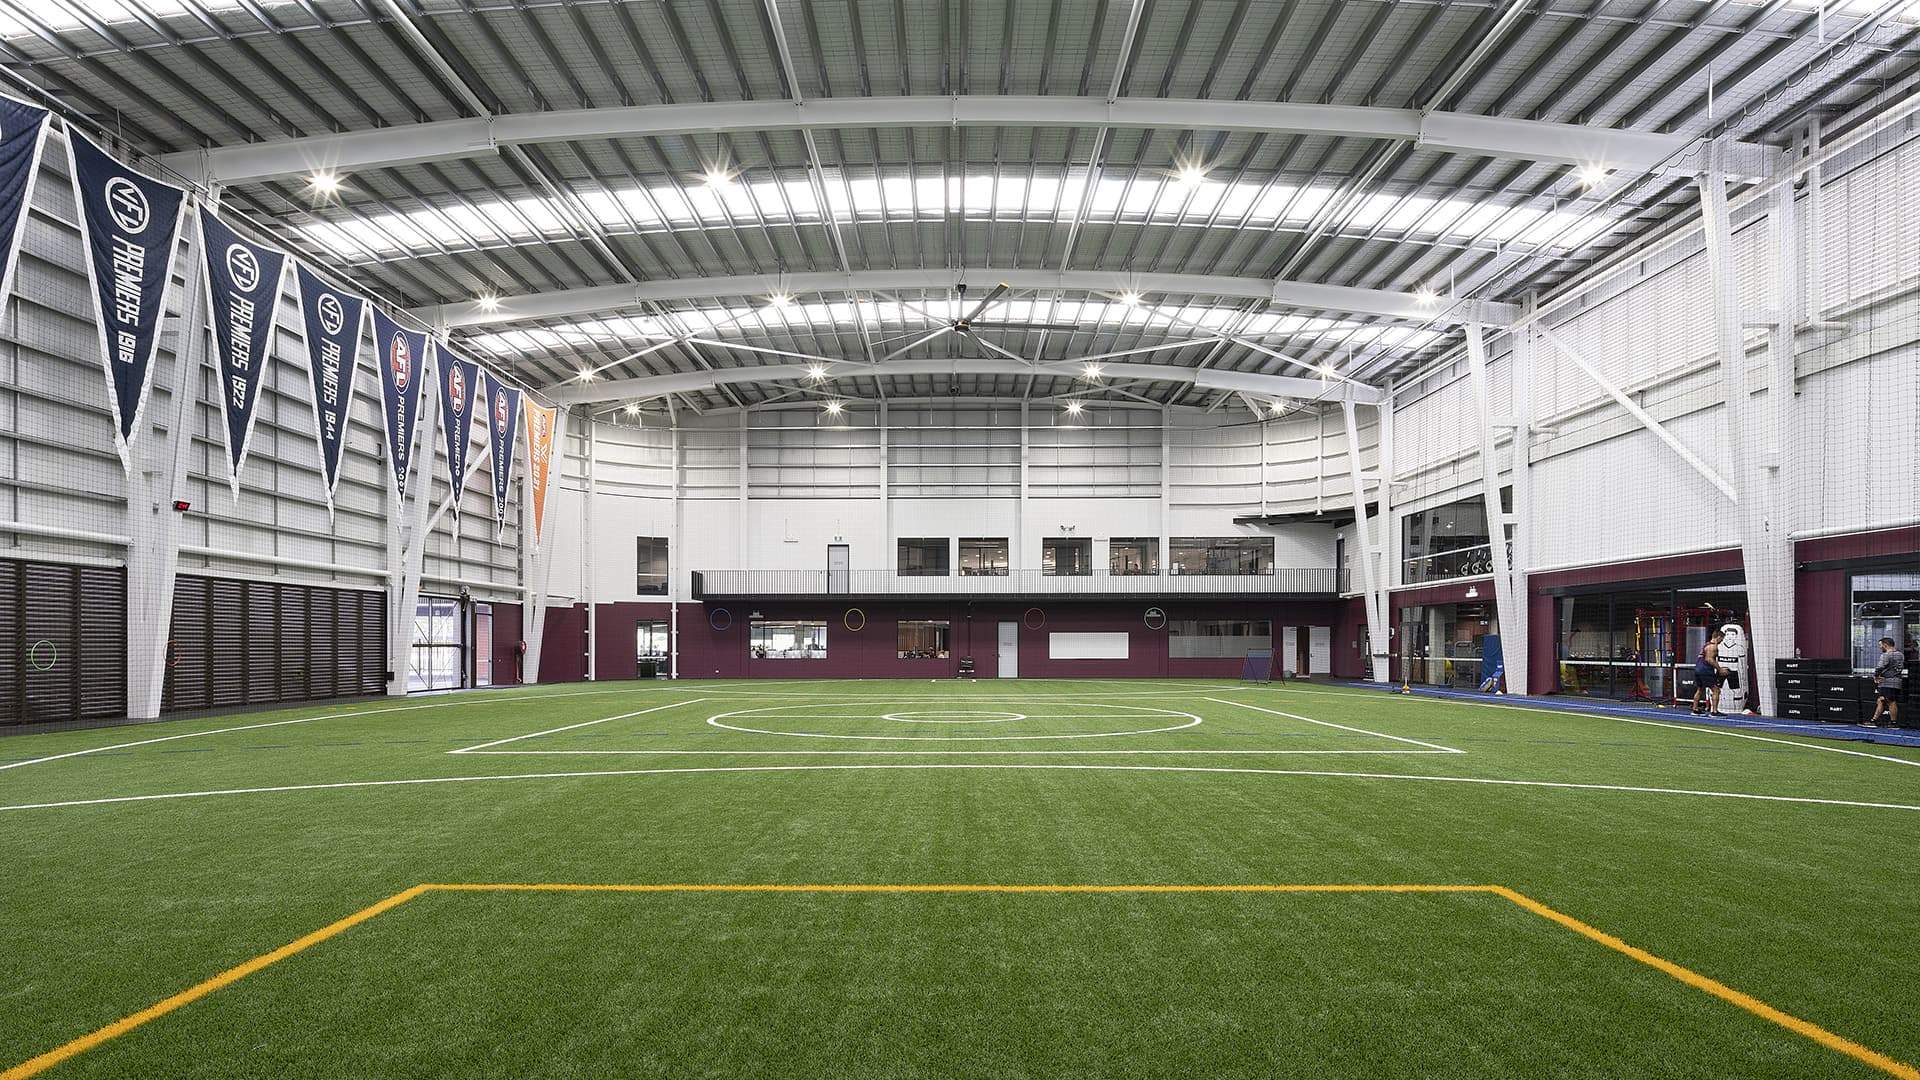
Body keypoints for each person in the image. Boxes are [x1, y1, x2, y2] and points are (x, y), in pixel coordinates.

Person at [1866, 636, 1904, 728]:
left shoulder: (1886, 655)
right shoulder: (1900, 655)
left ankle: (1893, 723)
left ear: (1885, 645)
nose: (1880, 647)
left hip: (1887, 682)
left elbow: (1879, 667)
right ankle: (1873, 720)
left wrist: (1876, 676)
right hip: (1896, 681)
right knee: (1881, 700)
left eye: (1880, 645)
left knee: (1890, 701)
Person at [1691, 630, 1723, 717]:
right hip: (1705, 670)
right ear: (1719, 637)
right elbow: (1709, 659)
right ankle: (1715, 712)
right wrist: (1720, 669)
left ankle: (1695, 709)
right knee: (1716, 690)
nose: (1721, 642)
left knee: (1700, 689)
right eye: (1721, 639)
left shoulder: (1706, 645)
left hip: (1698, 669)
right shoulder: (1713, 647)